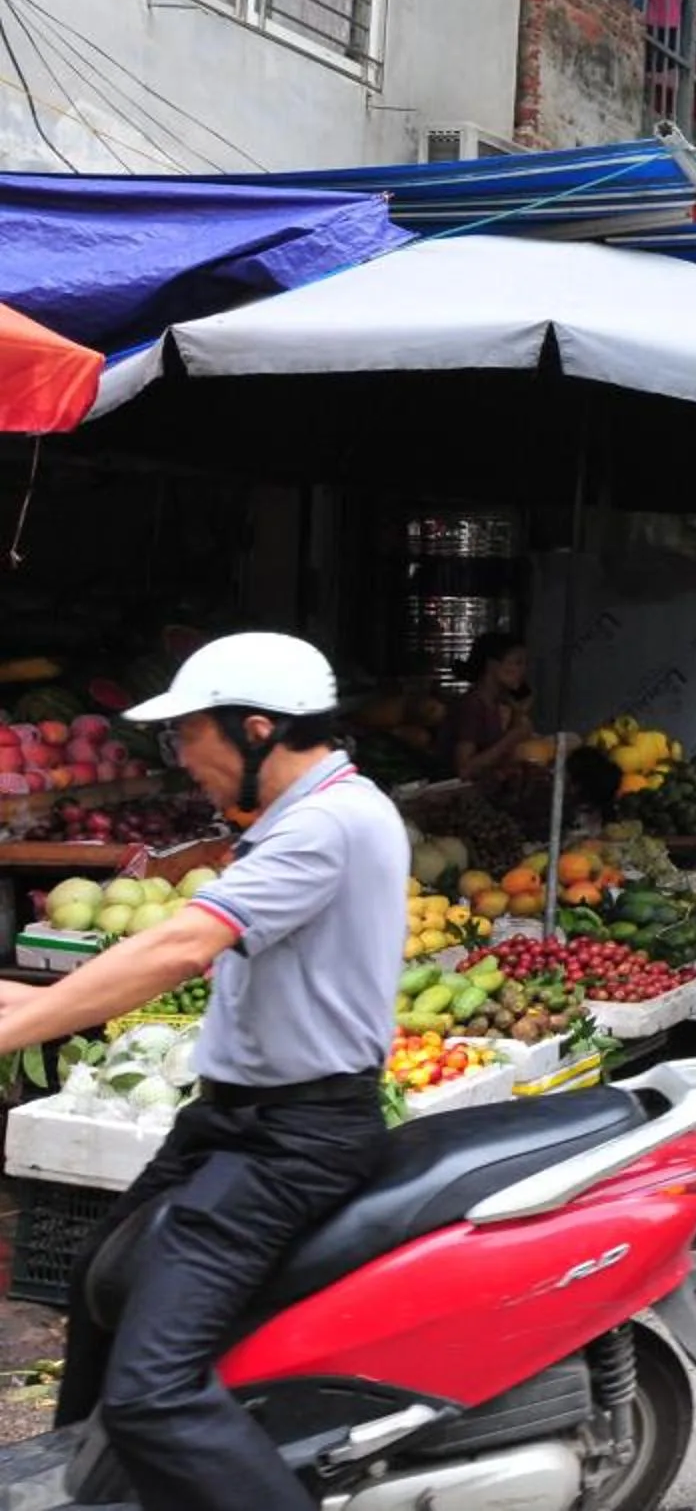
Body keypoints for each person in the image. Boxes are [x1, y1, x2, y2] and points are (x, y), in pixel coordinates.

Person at [6, 634, 401, 1511]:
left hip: (292, 1141)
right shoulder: (301, 816)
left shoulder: (329, 822)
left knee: (153, 1392)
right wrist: (22, 1004)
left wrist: (19, 1025)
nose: (182, 757)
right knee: (102, 1281)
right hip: (232, 1122)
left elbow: (185, 945)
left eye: (189, 734)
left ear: (257, 729)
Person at [440, 629, 532, 782]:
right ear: (492, 665)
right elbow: (464, 769)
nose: (522, 671)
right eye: (517, 663)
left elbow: (497, 757)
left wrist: (518, 714)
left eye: (525, 664)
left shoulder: (495, 703)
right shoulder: (471, 705)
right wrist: (512, 737)